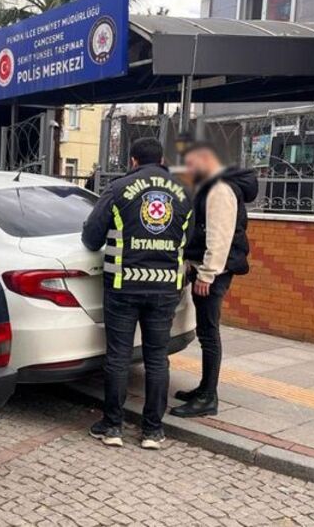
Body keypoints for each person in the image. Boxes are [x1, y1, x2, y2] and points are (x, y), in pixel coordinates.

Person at [82, 137, 193, 450]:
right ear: (161, 160)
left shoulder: (119, 188)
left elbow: (92, 237)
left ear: (132, 160)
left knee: (118, 357)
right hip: (165, 287)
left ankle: (112, 426)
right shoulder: (184, 191)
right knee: (157, 359)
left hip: (123, 285)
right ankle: (153, 431)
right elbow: (193, 238)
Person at [170, 142, 259, 418]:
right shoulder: (210, 186)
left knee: (209, 333)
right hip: (203, 266)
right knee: (205, 331)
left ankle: (208, 397)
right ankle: (204, 389)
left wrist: (208, 273)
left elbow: (219, 236)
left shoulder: (219, 190)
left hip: (213, 271)